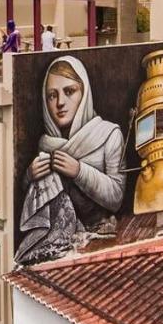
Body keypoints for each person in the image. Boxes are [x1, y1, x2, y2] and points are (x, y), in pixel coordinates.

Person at [17, 56, 126, 264]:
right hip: (58, 247)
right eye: (52, 95)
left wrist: (79, 171)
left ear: (84, 93)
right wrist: (29, 176)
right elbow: (37, 200)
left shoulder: (109, 134)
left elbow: (117, 197)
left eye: (69, 92)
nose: (60, 103)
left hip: (101, 239)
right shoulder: (46, 144)